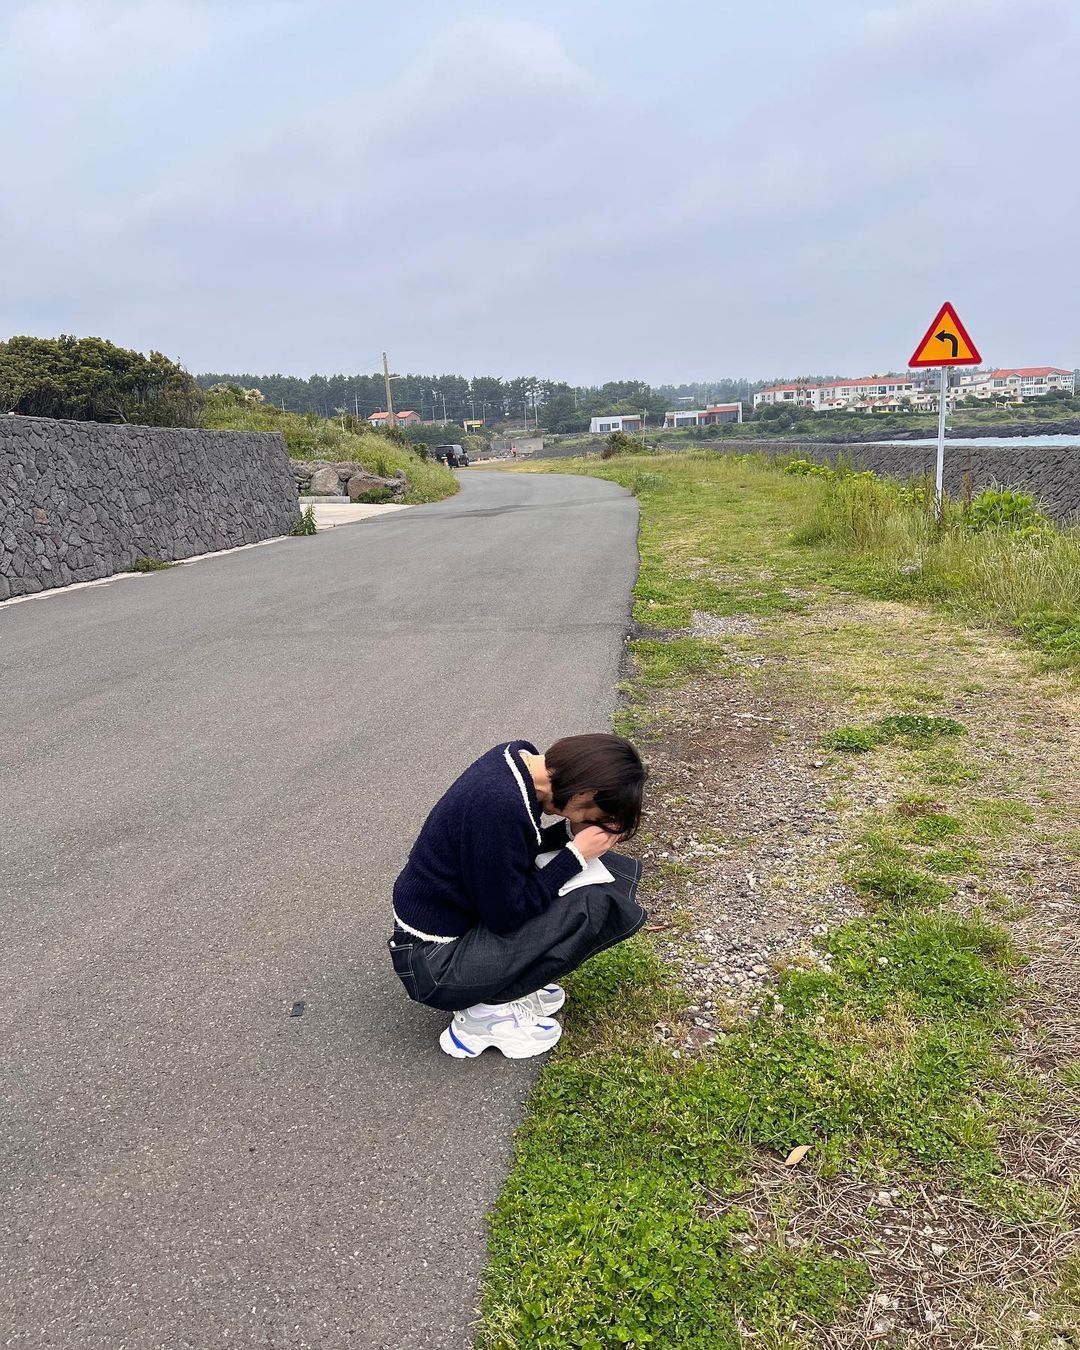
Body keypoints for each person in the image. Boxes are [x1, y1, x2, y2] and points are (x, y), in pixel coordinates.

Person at [388, 734, 648, 1059]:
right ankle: (482, 1016)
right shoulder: (498, 805)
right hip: (435, 966)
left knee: (601, 868)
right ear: (585, 792)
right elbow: (507, 916)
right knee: (593, 904)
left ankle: (499, 986)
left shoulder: (519, 761)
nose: (589, 820)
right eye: (595, 812)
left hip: (450, 931)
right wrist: (574, 856)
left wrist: (572, 837)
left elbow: (512, 855)